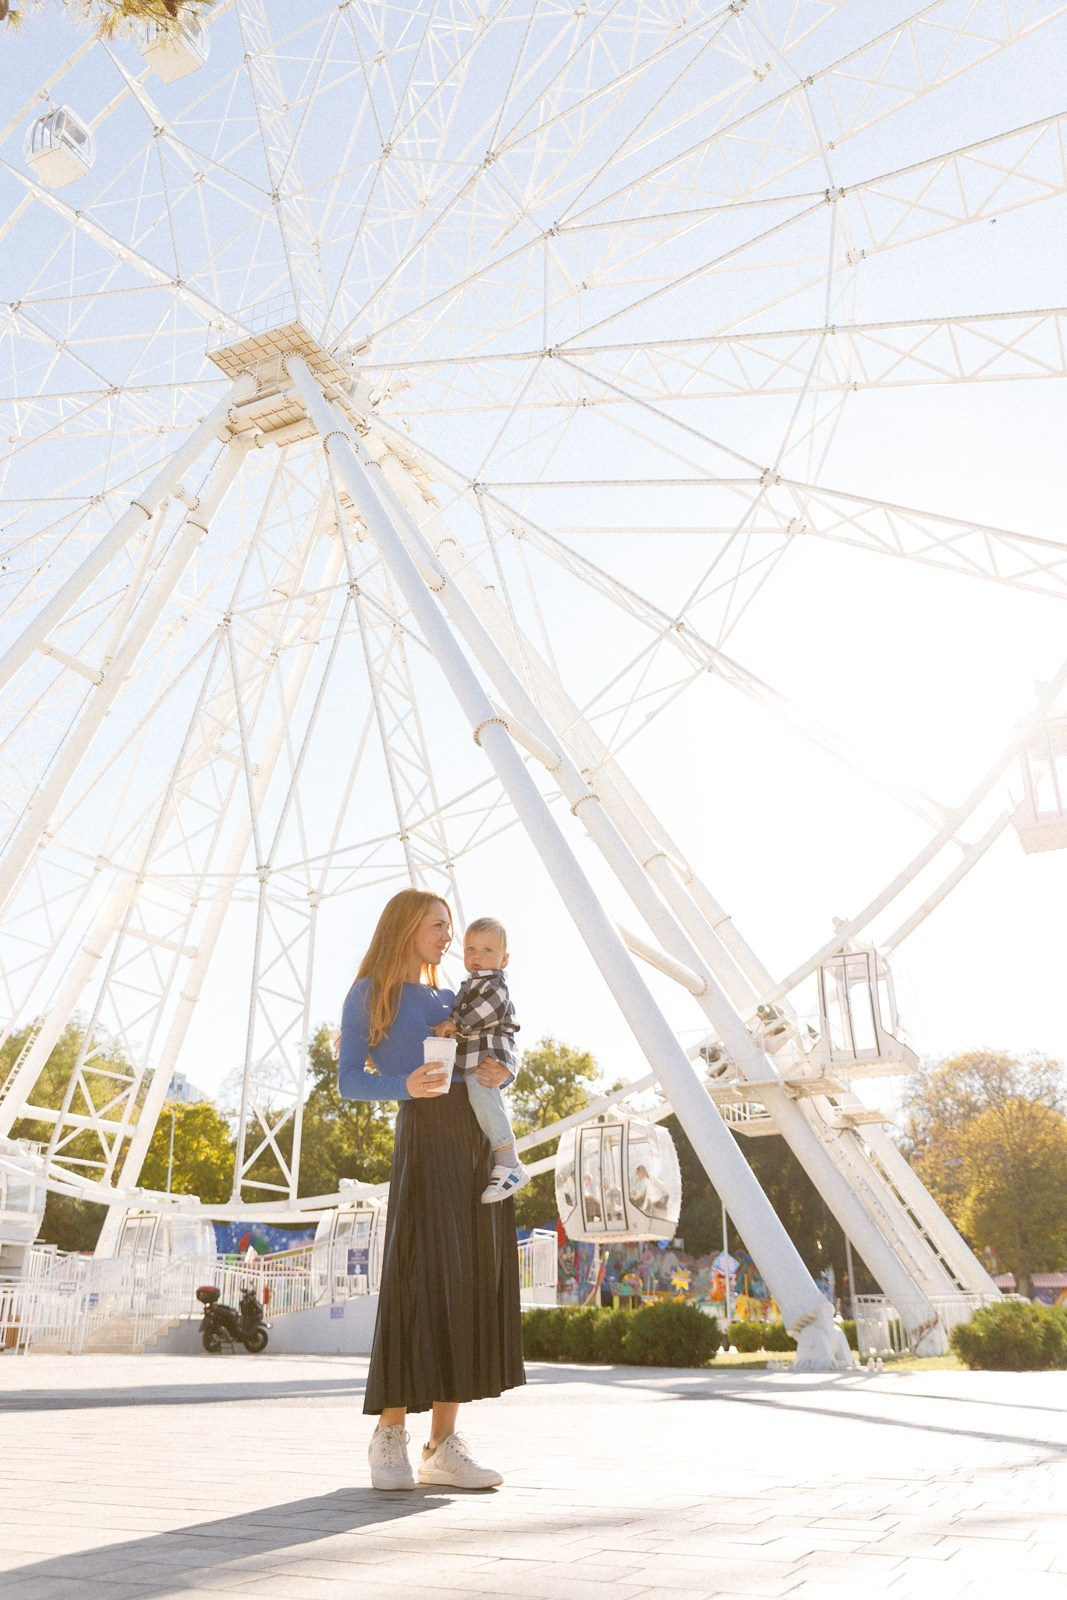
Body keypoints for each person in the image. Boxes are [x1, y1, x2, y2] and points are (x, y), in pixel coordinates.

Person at [338, 888, 525, 1492]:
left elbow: (502, 1043)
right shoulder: (370, 994)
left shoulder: (459, 995)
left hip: (476, 1148)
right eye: (438, 926)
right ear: (405, 927)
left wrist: (507, 1068)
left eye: (450, 926)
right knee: (415, 1279)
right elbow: (348, 1080)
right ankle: (389, 1433)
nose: (450, 937)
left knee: (465, 1284)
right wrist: (405, 1084)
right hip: (423, 1140)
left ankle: (444, 1445)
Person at [434, 916, 529, 1204]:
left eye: (487, 950)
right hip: (475, 1057)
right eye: (471, 949)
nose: (477, 956)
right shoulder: (470, 985)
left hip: (489, 1055)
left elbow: (486, 1012)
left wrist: (455, 1023)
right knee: (481, 1101)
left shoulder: (494, 985)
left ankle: (509, 1161)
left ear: (504, 959)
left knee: (484, 1097)